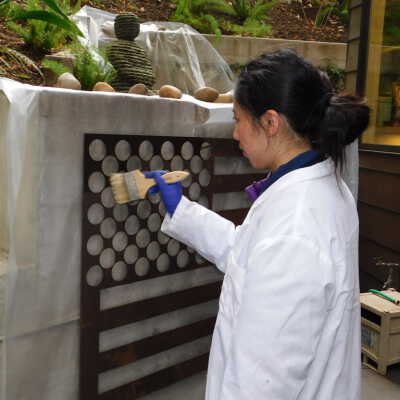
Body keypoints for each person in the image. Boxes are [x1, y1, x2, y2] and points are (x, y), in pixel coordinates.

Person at [145, 49, 370, 400]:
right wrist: (182, 210)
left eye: (238, 120)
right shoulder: (317, 186)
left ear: (270, 123)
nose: (236, 133)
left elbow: (263, 380)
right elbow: (249, 256)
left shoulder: (296, 226)